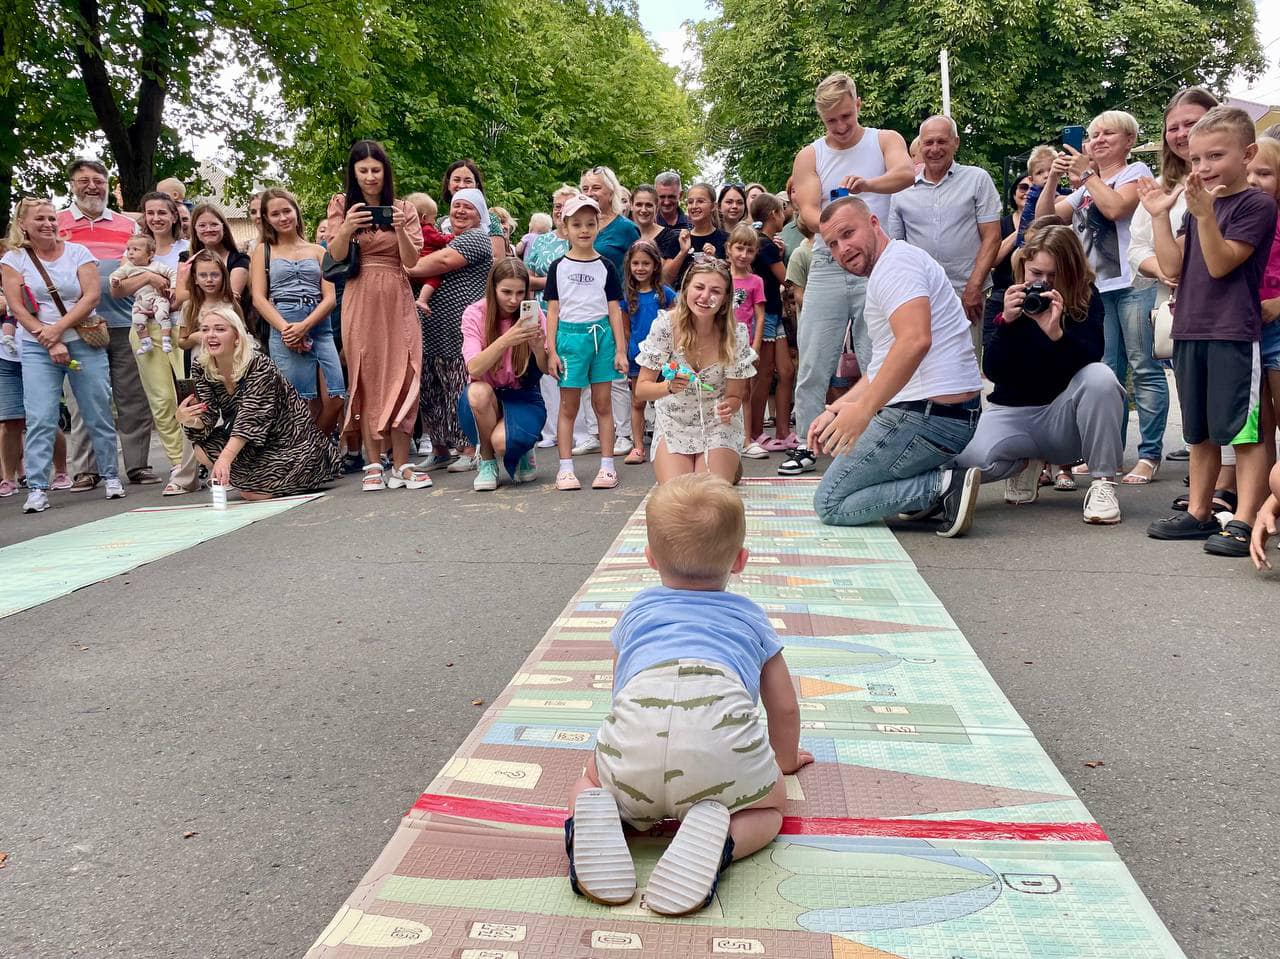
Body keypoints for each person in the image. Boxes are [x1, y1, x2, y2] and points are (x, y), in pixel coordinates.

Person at [564, 473, 812, 915]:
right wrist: (785, 763)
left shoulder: (638, 610)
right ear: (740, 560)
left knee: (590, 780)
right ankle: (723, 842)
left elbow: (620, 688)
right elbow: (784, 707)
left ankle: (594, 815)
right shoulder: (752, 618)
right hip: (720, 755)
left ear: (650, 558)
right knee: (771, 807)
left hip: (637, 737)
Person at [1140, 106, 1277, 556]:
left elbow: (1221, 265)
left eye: (1215, 156)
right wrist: (1161, 215)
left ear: (1247, 153)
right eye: (1196, 160)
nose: (1202, 168)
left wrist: (1203, 216)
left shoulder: (1256, 204)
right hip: (1190, 328)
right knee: (1198, 429)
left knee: (1245, 430)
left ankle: (1244, 518)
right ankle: (1199, 511)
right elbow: (1172, 267)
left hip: (1233, 332)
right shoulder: (1200, 206)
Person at [809, 197, 983, 537]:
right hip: (942, 415)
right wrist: (840, 407)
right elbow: (882, 364)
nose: (842, 248)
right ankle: (926, 494)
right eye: (832, 243)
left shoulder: (896, 266)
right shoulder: (892, 266)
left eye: (848, 233)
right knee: (844, 482)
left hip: (929, 418)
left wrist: (864, 411)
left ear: (874, 223)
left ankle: (943, 488)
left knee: (830, 502)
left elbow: (915, 341)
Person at [784, 72, 914, 477]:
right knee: (814, 358)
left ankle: (874, 439)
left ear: (858, 104)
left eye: (845, 117)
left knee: (879, 356)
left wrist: (867, 184)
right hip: (826, 261)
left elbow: (906, 174)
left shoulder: (884, 139)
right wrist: (834, 231)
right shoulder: (810, 155)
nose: (839, 128)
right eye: (830, 122)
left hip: (877, 264)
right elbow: (806, 209)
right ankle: (807, 442)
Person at [952, 225, 1126, 524]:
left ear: (1070, 271)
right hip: (1014, 413)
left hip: (1064, 421)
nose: (1043, 283)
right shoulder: (1010, 298)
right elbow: (993, 370)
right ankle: (1025, 464)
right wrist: (1007, 321)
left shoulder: (1086, 297)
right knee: (967, 464)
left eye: (1053, 275)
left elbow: (1090, 358)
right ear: (1023, 265)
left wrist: (1056, 333)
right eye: (1036, 273)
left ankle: (1103, 483)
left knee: (1101, 378)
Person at [1036, 109, 1165, 483]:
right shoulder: (1082, 185)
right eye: (1093, 135)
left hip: (1133, 284)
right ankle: (1111, 453)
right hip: (1096, 289)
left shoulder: (1136, 173)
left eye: (1109, 133)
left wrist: (1087, 175)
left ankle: (1149, 454)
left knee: (1144, 368)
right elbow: (1045, 219)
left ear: (1128, 141)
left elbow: (1114, 208)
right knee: (1108, 373)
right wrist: (1055, 178)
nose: (1098, 140)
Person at [1, 198, 124, 513]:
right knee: (40, 416)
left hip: (83, 339)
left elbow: (91, 295)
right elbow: (17, 306)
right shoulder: (15, 260)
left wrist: (58, 330)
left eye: (52, 218)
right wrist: (48, 338)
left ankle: (111, 475)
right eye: (40, 219)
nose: (48, 224)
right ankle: (39, 488)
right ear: (23, 224)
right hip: (37, 346)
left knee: (97, 409)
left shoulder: (78, 253)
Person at [325, 139, 432, 493]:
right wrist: (346, 228)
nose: (370, 177)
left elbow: (412, 261)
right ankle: (373, 462)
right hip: (361, 293)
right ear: (354, 173)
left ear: (385, 172)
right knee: (365, 372)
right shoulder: (342, 205)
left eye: (376, 169)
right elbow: (335, 256)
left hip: (398, 294)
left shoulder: (404, 208)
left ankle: (401, 463)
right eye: (363, 170)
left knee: (404, 371)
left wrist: (399, 226)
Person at [1128, 88, 1219, 469]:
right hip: (1178, 305)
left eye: (1191, 123)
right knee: (1195, 396)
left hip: (1229, 304)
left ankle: (1233, 488)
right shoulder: (1162, 185)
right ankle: (1208, 482)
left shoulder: (1235, 178)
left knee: (1237, 404)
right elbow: (1135, 247)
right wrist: (1162, 269)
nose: (1181, 134)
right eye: (1173, 127)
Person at [57, 160, 160, 491]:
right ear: (71, 184)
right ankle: (88, 469)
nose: (92, 187)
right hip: (78, 327)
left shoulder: (126, 227)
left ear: (106, 184)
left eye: (98, 181)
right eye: (83, 180)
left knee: (133, 398)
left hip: (125, 322)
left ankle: (138, 465)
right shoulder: (57, 224)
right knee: (86, 398)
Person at [176, 306, 341, 498]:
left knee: (254, 495)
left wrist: (225, 459)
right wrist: (188, 420)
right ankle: (249, 479)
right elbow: (208, 416)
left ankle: (255, 480)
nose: (211, 335)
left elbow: (251, 418)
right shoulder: (201, 366)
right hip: (252, 443)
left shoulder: (259, 364)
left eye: (220, 329)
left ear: (237, 336)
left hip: (290, 441)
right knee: (202, 450)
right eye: (205, 330)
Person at [633, 260, 756, 484]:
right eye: (699, 287)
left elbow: (736, 396)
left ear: (725, 299)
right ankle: (721, 465)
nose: (705, 296)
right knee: (681, 492)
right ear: (687, 288)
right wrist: (667, 387)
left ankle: (728, 457)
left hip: (717, 424)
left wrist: (730, 407)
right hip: (674, 421)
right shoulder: (665, 326)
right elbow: (641, 390)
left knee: (707, 493)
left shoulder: (735, 334)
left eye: (715, 291)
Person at [887, 116, 1002, 355]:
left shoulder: (977, 180)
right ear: (919, 147)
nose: (935, 149)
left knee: (965, 364)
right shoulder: (900, 191)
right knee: (923, 367)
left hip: (966, 294)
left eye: (942, 141)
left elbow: (992, 238)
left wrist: (974, 287)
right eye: (928, 143)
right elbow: (896, 249)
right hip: (920, 296)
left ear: (956, 142)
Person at [544, 193, 628, 491]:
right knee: (569, 406)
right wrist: (552, 349)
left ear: (598, 226)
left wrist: (620, 349)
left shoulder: (605, 265)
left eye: (590, 223)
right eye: (576, 224)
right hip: (570, 339)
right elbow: (552, 310)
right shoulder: (558, 267)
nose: (583, 230)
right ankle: (566, 469)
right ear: (564, 226)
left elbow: (614, 309)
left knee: (603, 404)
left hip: (601, 338)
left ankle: (607, 466)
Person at [408, 188, 493, 473]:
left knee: (458, 390)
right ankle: (439, 449)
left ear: (480, 213)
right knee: (431, 392)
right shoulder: (442, 238)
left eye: (468, 207)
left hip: (461, 331)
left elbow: (442, 263)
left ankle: (468, 449)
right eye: (456, 206)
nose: (459, 211)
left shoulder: (478, 238)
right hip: (429, 329)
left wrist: (397, 265)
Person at [250, 188, 344, 433]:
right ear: (267, 219)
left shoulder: (319, 250)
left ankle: (315, 449)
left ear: (296, 212)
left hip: (319, 327)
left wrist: (305, 327)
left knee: (335, 398)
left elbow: (331, 298)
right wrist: (288, 330)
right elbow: (259, 299)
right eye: (275, 214)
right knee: (301, 401)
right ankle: (304, 459)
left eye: (286, 211)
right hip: (283, 327)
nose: (282, 218)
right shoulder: (263, 251)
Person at [459, 257, 548, 491]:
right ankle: (487, 462)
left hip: (523, 394)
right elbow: (474, 368)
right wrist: (506, 339)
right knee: (477, 391)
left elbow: (546, 370)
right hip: (488, 396)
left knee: (503, 443)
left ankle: (522, 447)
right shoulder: (475, 314)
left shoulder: (534, 315)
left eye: (520, 293)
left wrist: (539, 349)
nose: (513, 300)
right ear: (493, 288)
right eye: (506, 292)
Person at [579, 165, 641, 456]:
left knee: (616, 372)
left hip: (614, 306)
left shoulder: (626, 228)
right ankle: (593, 432)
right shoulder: (579, 224)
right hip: (581, 307)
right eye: (586, 188)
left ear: (611, 192)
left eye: (596, 188)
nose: (590, 193)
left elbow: (637, 267)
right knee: (587, 373)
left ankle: (624, 433)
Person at [526, 185, 577, 450]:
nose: (559, 211)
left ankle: (579, 431)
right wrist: (552, 281)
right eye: (557, 206)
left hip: (575, 316)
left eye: (565, 206)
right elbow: (526, 276)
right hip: (545, 313)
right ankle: (550, 431)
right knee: (547, 371)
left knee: (574, 372)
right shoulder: (542, 241)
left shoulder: (581, 239)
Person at [619, 239, 676, 465]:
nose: (640, 268)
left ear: (655, 265)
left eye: (646, 263)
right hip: (637, 357)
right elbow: (624, 330)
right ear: (629, 265)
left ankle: (670, 443)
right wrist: (624, 354)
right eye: (636, 263)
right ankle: (638, 447)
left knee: (667, 399)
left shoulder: (666, 294)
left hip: (664, 358)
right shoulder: (626, 297)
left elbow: (676, 323)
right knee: (637, 402)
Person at [749, 192, 796, 452]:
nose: (784, 215)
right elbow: (785, 278)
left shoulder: (767, 243)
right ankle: (755, 431)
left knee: (786, 371)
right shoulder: (764, 244)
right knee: (764, 375)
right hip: (765, 314)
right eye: (781, 211)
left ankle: (782, 430)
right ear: (772, 215)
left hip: (774, 314)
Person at [1249, 137, 1280, 466]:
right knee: (1258, 425)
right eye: (1248, 173)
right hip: (1246, 329)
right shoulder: (1234, 216)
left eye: (1265, 173)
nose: (1254, 181)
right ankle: (1264, 497)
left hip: (1277, 327)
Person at [726, 223, 767, 457]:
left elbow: (760, 316)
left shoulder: (756, 282)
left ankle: (746, 439)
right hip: (721, 342)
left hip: (745, 344)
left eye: (749, 250)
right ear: (729, 248)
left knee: (744, 392)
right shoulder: (721, 275)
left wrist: (756, 345)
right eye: (739, 248)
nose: (743, 255)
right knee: (723, 391)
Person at [984, 176, 1031, 350]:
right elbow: (993, 259)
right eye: (1023, 188)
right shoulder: (1001, 224)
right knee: (993, 347)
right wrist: (1020, 231)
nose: (1027, 193)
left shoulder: (1047, 222)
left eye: (1033, 189)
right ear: (1014, 193)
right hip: (1002, 293)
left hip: (1035, 293)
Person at [110, 235, 175, 355]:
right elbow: (115, 277)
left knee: (161, 313)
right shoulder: (128, 267)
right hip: (141, 301)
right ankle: (145, 342)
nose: (130, 253)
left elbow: (172, 273)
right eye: (128, 249)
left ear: (150, 254)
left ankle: (166, 339)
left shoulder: (156, 265)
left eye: (135, 250)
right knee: (137, 319)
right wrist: (115, 282)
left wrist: (173, 287)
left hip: (158, 298)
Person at [659, 182, 728, 292]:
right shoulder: (679, 238)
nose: (694, 206)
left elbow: (735, 277)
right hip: (683, 301)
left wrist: (715, 260)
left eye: (700, 201)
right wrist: (682, 252)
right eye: (690, 202)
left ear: (713, 206)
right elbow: (665, 279)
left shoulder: (726, 240)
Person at [438, 159, 506, 261]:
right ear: (448, 185)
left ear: (476, 186)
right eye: (456, 180)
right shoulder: (441, 223)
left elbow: (498, 260)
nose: (461, 185)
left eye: (468, 181)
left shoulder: (490, 220)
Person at [185, 203, 250, 306]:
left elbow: (230, 300)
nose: (208, 229)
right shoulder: (187, 259)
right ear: (195, 230)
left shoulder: (240, 260)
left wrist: (196, 294)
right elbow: (180, 295)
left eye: (214, 224)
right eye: (202, 225)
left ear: (223, 228)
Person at [629, 184, 675, 249]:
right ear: (631, 206)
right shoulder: (622, 235)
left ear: (657, 208)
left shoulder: (669, 236)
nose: (643, 210)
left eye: (649, 205)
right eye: (639, 205)